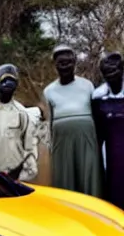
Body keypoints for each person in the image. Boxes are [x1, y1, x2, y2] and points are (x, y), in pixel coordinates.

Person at [43, 45, 102, 197]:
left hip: (86, 139)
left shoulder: (87, 85)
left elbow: (96, 115)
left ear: (75, 63)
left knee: (88, 174)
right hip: (61, 141)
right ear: (55, 65)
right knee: (64, 176)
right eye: (61, 63)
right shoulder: (49, 90)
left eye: (69, 62)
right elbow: (48, 121)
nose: (65, 66)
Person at [92, 52, 124, 209]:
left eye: (115, 72)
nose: (111, 77)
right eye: (107, 74)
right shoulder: (98, 96)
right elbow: (98, 133)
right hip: (111, 154)